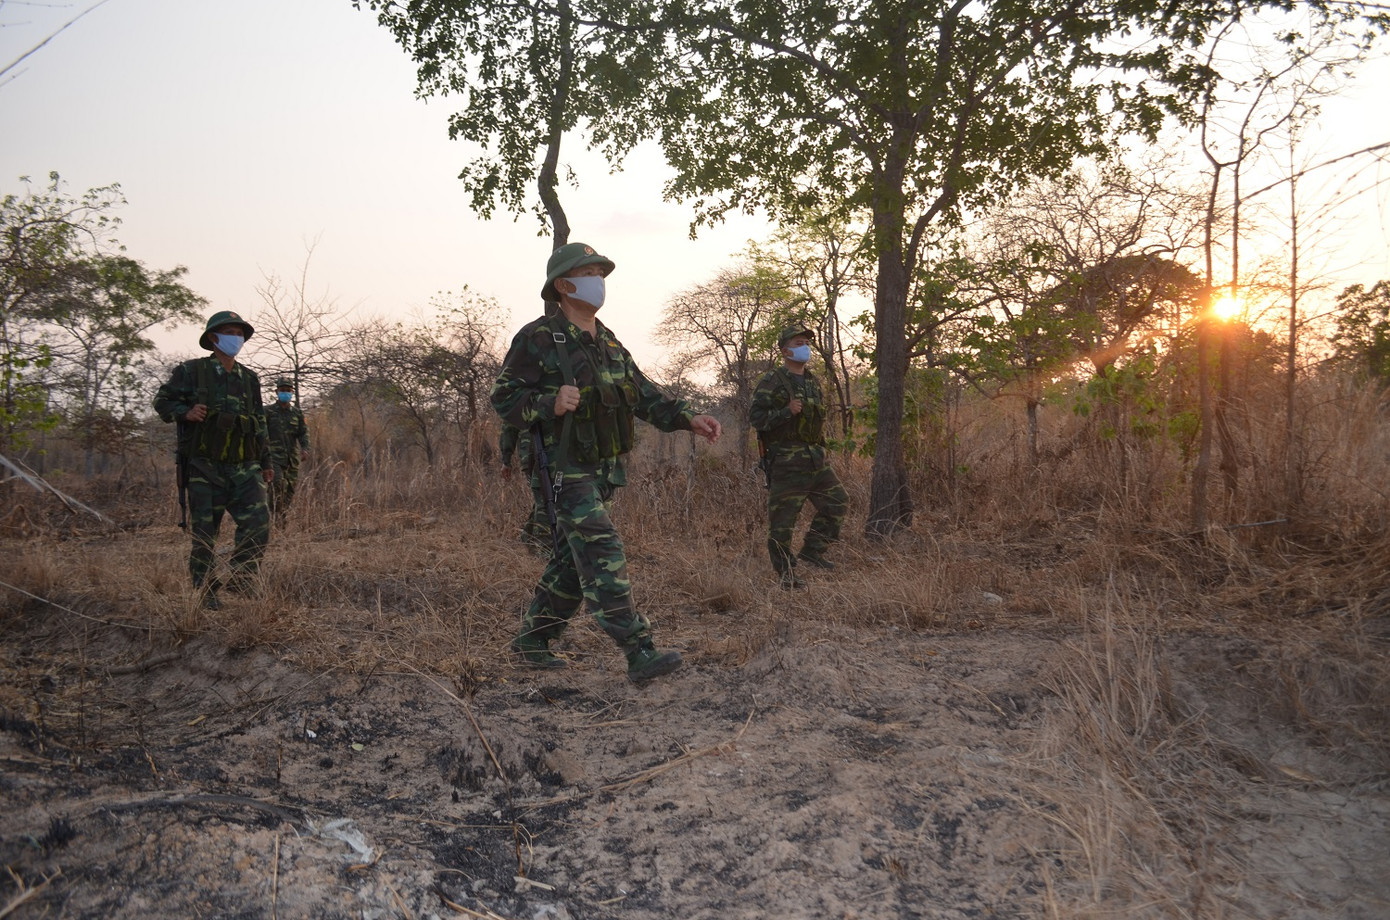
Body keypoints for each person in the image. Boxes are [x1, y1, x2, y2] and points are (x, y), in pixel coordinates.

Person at [491, 242, 722, 681]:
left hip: (603, 469)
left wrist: (690, 419)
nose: (598, 281)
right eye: (589, 272)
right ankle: (639, 651)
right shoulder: (539, 338)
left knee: (573, 561)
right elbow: (503, 397)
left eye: (600, 272)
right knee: (601, 549)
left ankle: (533, 639)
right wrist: (548, 402)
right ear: (563, 285)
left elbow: (643, 394)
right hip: (562, 469)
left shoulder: (609, 341)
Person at [153, 310, 274, 609]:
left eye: (239, 333)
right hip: (205, 468)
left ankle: (243, 580)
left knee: (259, 525)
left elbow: (258, 422)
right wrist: (185, 412)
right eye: (229, 332)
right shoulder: (192, 371)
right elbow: (163, 401)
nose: (235, 338)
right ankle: (206, 592)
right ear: (212, 337)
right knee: (205, 536)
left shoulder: (250, 378)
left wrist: (267, 461)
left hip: (245, 467)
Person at [749, 325, 848, 589]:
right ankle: (786, 575)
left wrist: (823, 447)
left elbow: (816, 420)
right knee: (783, 524)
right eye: (799, 342)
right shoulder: (772, 381)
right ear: (785, 350)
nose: (805, 347)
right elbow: (756, 418)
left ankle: (813, 551)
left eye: (807, 342)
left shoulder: (813, 380)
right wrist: (785, 412)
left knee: (837, 502)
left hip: (815, 459)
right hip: (787, 462)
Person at [499, 422, 552, 553]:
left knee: (546, 497)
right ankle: (543, 548)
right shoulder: (523, 401)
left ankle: (528, 537)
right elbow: (509, 424)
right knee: (545, 498)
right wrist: (506, 460)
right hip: (534, 454)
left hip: (554, 452)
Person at [266, 377, 310, 519]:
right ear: (277, 391)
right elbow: (260, 434)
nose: (285, 393)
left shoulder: (297, 413)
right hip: (273, 458)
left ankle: (281, 521)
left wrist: (305, 448)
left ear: (292, 392)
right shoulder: (268, 412)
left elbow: (303, 433)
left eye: (288, 390)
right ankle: (273, 517)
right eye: (282, 390)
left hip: (292, 460)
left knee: (289, 491)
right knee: (277, 485)